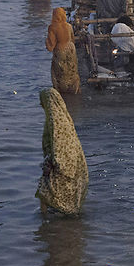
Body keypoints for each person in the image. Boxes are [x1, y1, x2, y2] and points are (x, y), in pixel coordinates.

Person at [35, 88, 88, 216]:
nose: (40, 104)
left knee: (45, 192)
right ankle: (61, 224)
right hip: (69, 162)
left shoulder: (56, 121)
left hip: (63, 163)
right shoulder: (61, 117)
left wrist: (54, 163)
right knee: (54, 194)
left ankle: (47, 225)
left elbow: (60, 144)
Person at [44, 7, 81, 95]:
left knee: (59, 72)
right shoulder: (69, 26)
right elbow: (72, 40)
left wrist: (46, 41)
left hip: (61, 51)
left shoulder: (52, 27)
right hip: (71, 49)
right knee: (72, 70)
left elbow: (51, 47)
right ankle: (73, 90)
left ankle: (61, 92)